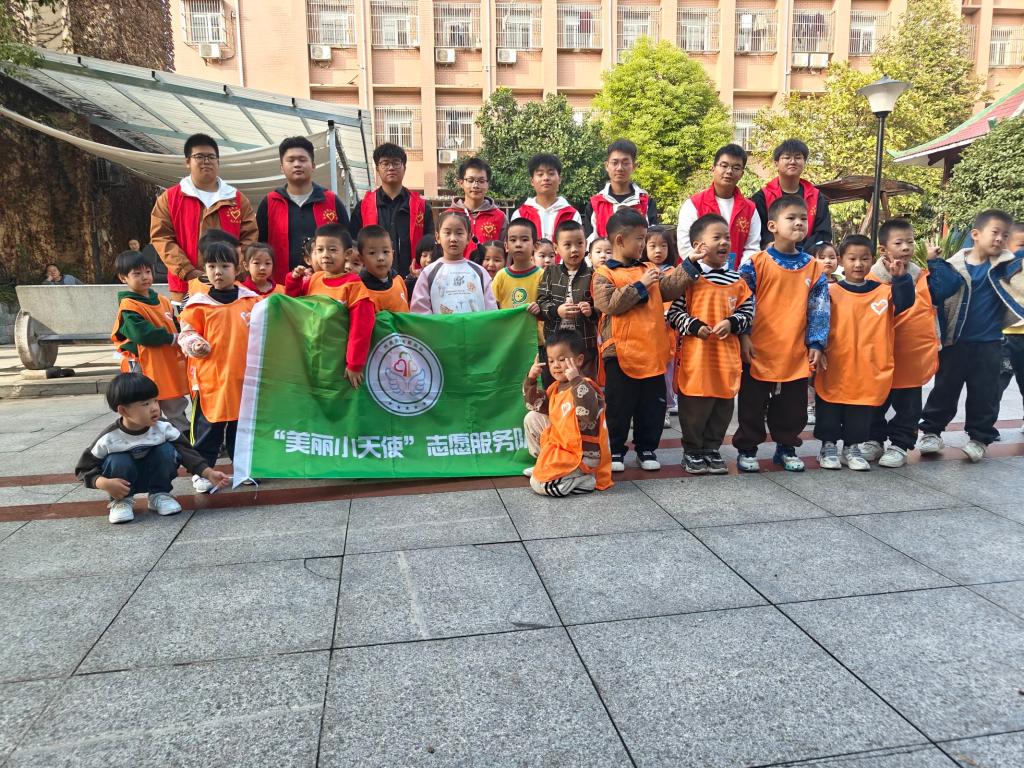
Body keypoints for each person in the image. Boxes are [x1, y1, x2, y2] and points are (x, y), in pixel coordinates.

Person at [592, 208, 700, 472]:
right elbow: (609, 304)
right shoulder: (604, 273)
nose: (643, 244)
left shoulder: (649, 268)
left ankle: (647, 448)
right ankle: (616, 451)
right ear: (620, 240)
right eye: (639, 238)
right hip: (620, 352)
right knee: (619, 406)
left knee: (652, 406)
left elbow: (668, 290)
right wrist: (640, 285)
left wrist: (689, 264)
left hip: (652, 350)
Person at [733, 195, 829, 473]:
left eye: (803, 218)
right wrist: (744, 335)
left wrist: (817, 342)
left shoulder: (813, 266)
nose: (799, 222)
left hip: (795, 348)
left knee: (793, 406)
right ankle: (747, 448)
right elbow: (742, 300)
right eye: (791, 218)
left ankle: (786, 447)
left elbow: (820, 308)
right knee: (752, 403)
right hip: (758, 347)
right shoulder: (755, 263)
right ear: (772, 226)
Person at [919, 209, 1024, 462]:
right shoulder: (954, 265)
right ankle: (932, 431)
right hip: (955, 341)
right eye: (995, 232)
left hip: (989, 344)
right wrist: (934, 262)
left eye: (1005, 235)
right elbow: (938, 292)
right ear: (976, 234)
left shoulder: (1006, 267)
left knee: (985, 394)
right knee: (944, 389)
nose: (999, 239)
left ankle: (979, 438)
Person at [814, 235, 914, 471]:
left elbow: (905, 303)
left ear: (872, 260)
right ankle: (828, 446)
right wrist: (817, 347)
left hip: (868, 366)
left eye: (864, 259)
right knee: (829, 406)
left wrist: (901, 278)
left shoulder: (884, 292)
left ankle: (852, 447)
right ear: (841, 261)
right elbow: (817, 321)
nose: (858, 264)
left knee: (861, 410)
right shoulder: (830, 291)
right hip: (836, 363)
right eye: (852, 259)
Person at [75, 373, 229, 524]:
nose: (154, 408)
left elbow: (187, 453)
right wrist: (103, 483)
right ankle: (121, 502)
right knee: (117, 459)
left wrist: (208, 473)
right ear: (123, 411)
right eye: (145, 404)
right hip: (123, 484)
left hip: (155, 475)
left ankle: (160, 494)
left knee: (167, 450)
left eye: (155, 401)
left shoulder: (164, 428)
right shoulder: (109, 438)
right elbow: (83, 469)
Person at [667, 214, 754, 475]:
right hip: (696, 359)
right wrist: (693, 326)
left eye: (726, 237)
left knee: (723, 405)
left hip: (726, 359)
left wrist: (732, 322)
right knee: (694, 407)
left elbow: (748, 311)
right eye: (717, 237)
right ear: (698, 245)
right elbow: (673, 313)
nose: (724, 242)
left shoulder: (738, 281)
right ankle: (692, 450)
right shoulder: (690, 280)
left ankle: (712, 448)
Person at [177, 240, 261, 492]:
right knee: (207, 429)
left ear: (238, 269)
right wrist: (195, 344)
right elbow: (186, 334)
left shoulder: (252, 302)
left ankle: (245, 468)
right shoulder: (197, 305)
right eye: (211, 266)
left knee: (242, 428)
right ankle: (202, 472)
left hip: (243, 379)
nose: (218, 272)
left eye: (225, 266)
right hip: (210, 381)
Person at [861, 220, 939, 468]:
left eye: (910, 241)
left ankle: (900, 444)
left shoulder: (922, 276)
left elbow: (946, 291)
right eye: (899, 243)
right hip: (879, 355)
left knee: (908, 405)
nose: (906, 247)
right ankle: (873, 439)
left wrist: (935, 263)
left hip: (911, 355)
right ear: (883, 249)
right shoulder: (870, 278)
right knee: (874, 402)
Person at [150, 133, 258, 301]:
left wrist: (235, 269)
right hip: (185, 286)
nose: (206, 161)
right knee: (190, 319)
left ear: (218, 162)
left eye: (211, 157)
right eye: (199, 156)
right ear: (188, 162)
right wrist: (188, 271)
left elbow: (250, 237)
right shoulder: (170, 199)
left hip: (231, 287)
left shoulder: (236, 199)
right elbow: (161, 238)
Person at [522, 329, 612, 496]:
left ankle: (585, 481)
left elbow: (588, 416)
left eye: (562, 359)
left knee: (538, 484)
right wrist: (531, 379)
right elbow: (534, 404)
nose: (556, 365)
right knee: (532, 417)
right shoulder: (555, 388)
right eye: (551, 361)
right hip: (563, 449)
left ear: (579, 360)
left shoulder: (586, 386)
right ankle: (545, 463)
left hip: (582, 454)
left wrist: (576, 380)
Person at [285, 223, 375, 387]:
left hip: (338, 359)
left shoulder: (353, 285)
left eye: (332, 250)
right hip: (312, 354)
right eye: (320, 250)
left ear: (347, 254)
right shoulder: (314, 279)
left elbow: (362, 326)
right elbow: (295, 306)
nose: (325, 255)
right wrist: (294, 281)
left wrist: (354, 364)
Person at [110, 249, 190, 433]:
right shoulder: (129, 306)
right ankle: (150, 437)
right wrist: (171, 338)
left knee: (174, 403)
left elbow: (176, 323)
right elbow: (142, 334)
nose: (145, 277)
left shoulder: (162, 300)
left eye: (147, 271)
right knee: (146, 405)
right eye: (137, 274)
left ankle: (183, 437)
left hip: (165, 364)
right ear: (123, 278)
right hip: (144, 366)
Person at [257, 136, 350, 285]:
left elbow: (347, 241)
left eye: (302, 159)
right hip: (280, 286)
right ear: (282, 167)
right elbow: (259, 246)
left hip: (326, 287)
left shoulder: (331, 201)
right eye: (291, 160)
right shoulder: (270, 202)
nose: (297, 164)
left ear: (313, 165)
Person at [349, 143, 434, 277]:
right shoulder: (363, 207)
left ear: (404, 167)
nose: (391, 168)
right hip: (373, 281)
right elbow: (353, 245)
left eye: (396, 163)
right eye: (385, 163)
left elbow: (430, 245)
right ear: (377, 169)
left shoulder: (422, 207)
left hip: (413, 279)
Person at [677, 144, 760, 270]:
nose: (729, 171)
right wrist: (707, 270)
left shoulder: (750, 209)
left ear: (742, 174)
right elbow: (685, 245)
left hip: (736, 276)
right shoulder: (694, 204)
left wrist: (738, 273)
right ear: (713, 169)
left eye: (736, 168)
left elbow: (752, 247)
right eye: (724, 165)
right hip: (697, 274)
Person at [537, 220, 599, 382]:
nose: (574, 249)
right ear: (556, 248)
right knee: (554, 385)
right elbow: (541, 302)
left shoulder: (594, 274)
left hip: (584, 344)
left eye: (579, 243)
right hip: (555, 344)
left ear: (586, 245)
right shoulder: (550, 272)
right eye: (568, 245)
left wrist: (591, 311)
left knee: (585, 384)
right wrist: (556, 310)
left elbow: (601, 307)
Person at [752, 139, 832, 251]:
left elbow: (823, 232)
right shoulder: (762, 197)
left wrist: (802, 253)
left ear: (804, 162)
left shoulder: (817, 196)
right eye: (787, 157)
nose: (792, 161)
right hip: (773, 254)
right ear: (776, 163)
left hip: (809, 256)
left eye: (798, 157)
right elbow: (759, 231)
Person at [410, 210, 497, 314]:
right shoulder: (428, 273)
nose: (453, 239)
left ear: (469, 237)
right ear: (438, 237)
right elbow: (420, 312)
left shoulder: (480, 272)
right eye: (447, 233)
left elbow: (491, 313)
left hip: (475, 325)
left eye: (459, 233)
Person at [583, 138, 658, 242]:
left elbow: (652, 241)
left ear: (634, 166)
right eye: (615, 163)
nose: (619, 168)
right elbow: (589, 244)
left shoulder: (646, 203)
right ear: (606, 166)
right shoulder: (595, 204)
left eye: (625, 163)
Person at [646, 225, 680, 427]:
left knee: (667, 372)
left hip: (668, 331)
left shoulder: (673, 272)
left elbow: (678, 301)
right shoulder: (641, 270)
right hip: (647, 332)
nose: (658, 250)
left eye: (663, 246)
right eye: (652, 246)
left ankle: (666, 407)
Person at [511, 153, 582, 241]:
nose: (546, 178)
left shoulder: (572, 214)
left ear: (559, 179)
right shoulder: (520, 215)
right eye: (540, 174)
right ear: (532, 181)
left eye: (551, 173)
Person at [448, 157, 507, 259]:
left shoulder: (500, 217)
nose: (475, 185)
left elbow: (506, 253)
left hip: (488, 269)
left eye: (481, 181)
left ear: (488, 184)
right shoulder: (449, 216)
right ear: (461, 183)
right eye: (470, 180)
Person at [998, 222, 1024, 427]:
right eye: (1021, 245)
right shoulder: (1001, 268)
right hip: (1005, 336)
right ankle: (984, 426)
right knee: (996, 383)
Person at [492, 219, 543, 317]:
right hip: (508, 327)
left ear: (535, 246)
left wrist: (540, 309)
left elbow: (548, 307)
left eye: (524, 240)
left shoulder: (542, 276)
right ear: (506, 246)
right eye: (513, 240)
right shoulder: (501, 276)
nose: (518, 244)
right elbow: (492, 308)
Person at [357, 225, 409, 312]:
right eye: (372, 253)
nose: (380, 258)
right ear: (361, 258)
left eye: (385, 252)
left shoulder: (398, 280)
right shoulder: (360, 289)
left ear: (392, 254)